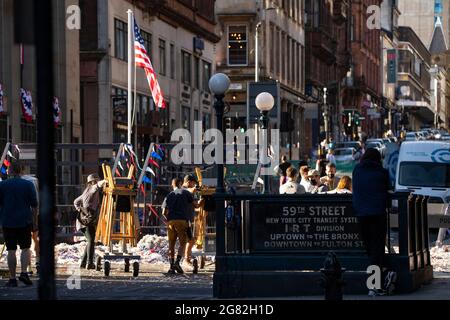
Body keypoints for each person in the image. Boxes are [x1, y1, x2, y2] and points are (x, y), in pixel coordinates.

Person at [352, 148, 396, 296]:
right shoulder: (382, 172)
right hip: (378, 214)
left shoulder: (357, 170)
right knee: (377, 248)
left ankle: (384, 274)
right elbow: (388, 190)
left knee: (370, 249)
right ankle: (374, 284)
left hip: (361, 214)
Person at [0, 161, 38, 287]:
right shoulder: (28, 184)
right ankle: (23, 273)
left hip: (8, 221)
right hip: (24, 221)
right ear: (21, 171)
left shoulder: (3, 185)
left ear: (9, 171)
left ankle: (12, 278)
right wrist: (35, 222)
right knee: (25, 248)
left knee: (11, 250)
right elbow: (34, 205)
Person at [161, 175, 197, 274]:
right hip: (182, 220)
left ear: (173, 185)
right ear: (180, 183)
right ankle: (177, 262)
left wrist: (168, 220)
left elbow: (164, 212)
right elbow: (195, 205)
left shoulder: (169, 195)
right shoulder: (185, 193)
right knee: (182, 243)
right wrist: (202, 202)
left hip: (171, 221)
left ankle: (171, 266)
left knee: (171, 244)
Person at [73, 173, 107, 269]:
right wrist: (105, 181)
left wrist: (79, 209)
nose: (97, 182)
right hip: (86, 221)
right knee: (91, 240)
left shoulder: (86, 191)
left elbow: (76, 201)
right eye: (96, 180)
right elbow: (97, 186)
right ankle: (90, 263)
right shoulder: (91, 189)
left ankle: (83, 263)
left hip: (85, 220)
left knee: (90, 241)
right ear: (92, 182)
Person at [183, 175, 203, 266]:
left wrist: (199, 203)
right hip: (185, 219)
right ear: (189, 182)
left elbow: (195, 204)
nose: (194, 185)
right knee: (190, 240)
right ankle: (186, 259)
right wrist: (196, 188)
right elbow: (190, 191)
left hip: (186, 219)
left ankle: (186, 258)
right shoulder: (184, 190)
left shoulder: (184, 191)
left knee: (190, 240)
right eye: (193, 183)